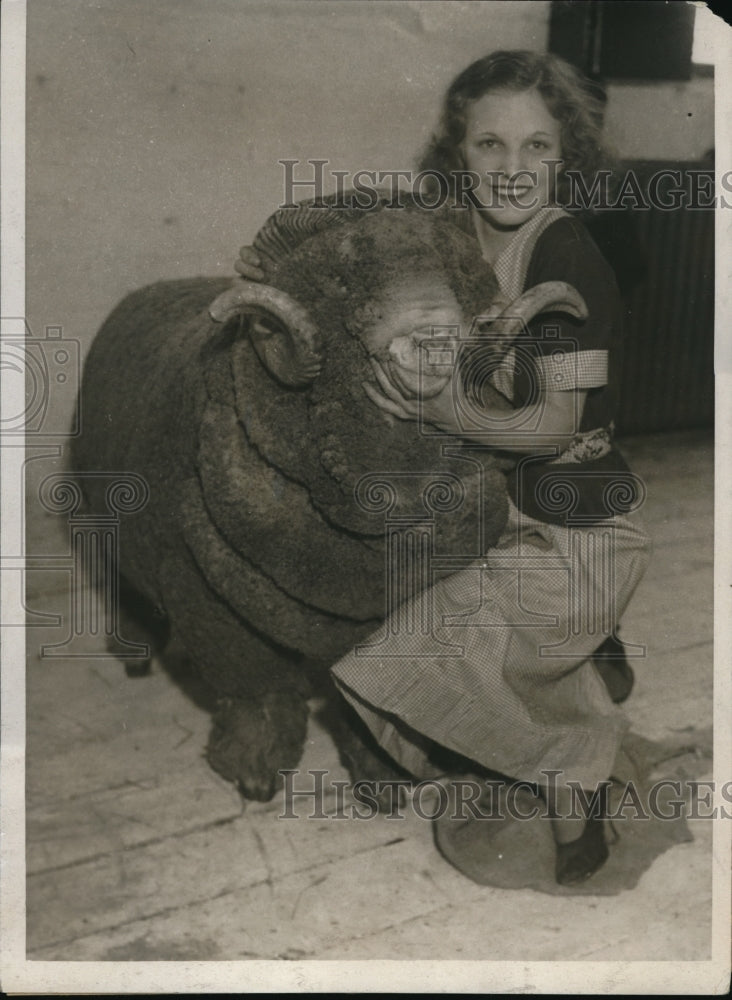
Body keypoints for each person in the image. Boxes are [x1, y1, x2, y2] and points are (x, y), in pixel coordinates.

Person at [236, 50, 651, 886]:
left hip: (578, 528)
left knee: (394, 658)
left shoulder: (565, 258)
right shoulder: (461, 244)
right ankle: (564, 781)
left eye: (537, 147)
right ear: (457, 151)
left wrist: (442, 414)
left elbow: (554, 424)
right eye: (490, 144)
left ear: (566, 155)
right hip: (509, 514)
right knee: (491, 664)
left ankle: (573, 773)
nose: (511, 168)